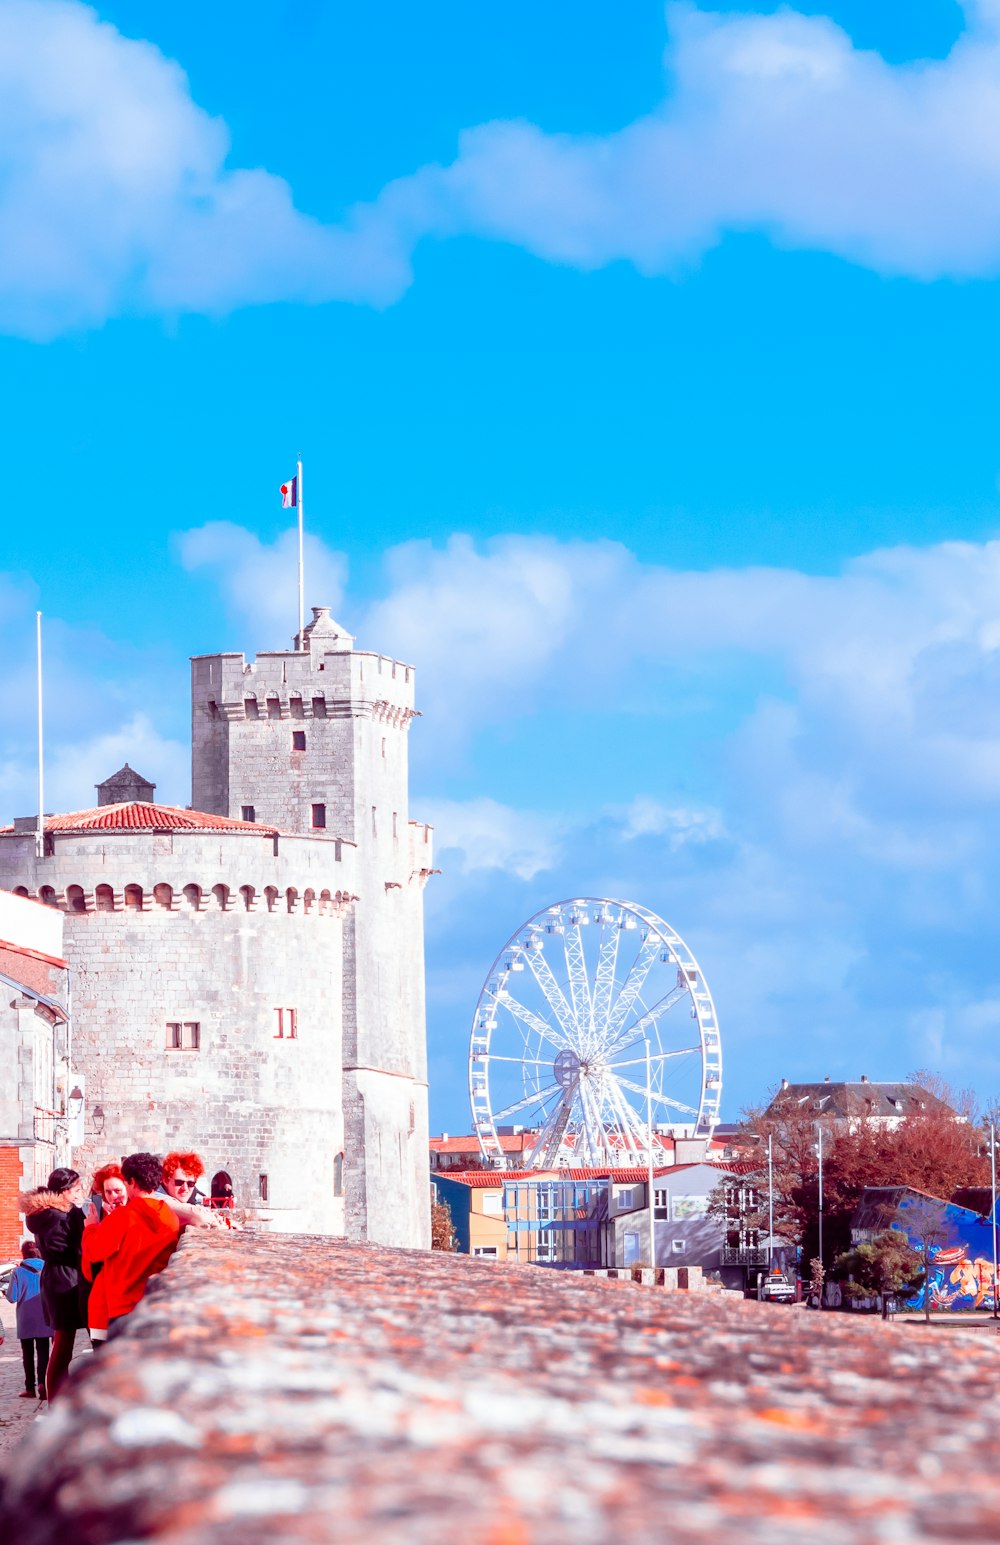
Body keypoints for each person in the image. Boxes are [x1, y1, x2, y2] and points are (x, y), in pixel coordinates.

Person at [82, 1152, 187, 1340]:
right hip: (154, 1305)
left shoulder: (122, 1217)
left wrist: (90, 1227)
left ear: (131, 1181)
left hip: (123, 1308)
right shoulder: (169, 1216)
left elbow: (92, 1252)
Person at [19, 1167, 87, 1401]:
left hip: (56, 1279)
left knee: (62, 1344)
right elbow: (76, 1250)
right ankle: (56, 1401)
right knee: (63, 1345)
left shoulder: (45, 1215)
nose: (80, 1193)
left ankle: (56, 1398)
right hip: (66, 1280)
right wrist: (80, 1216)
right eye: (77, 1189)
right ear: (65, 1191)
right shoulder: (59, 1217)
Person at [5, 1242, 53, 1401]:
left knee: (27, 1354)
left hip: (25, 1319)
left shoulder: (18, 1271)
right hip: (44, 1317)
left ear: (23, 1253)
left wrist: (7, 1292)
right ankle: (43, 1384)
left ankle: (29, 1388)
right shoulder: (48, 1268)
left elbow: (12, 1297)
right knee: (43, 1353)